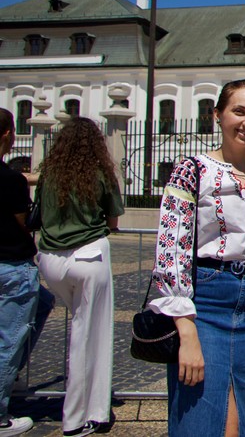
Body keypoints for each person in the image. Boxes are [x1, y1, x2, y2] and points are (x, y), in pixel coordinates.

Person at [152, 78, 245, 436]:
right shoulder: (191, 170)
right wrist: (185, 328)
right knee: (199, 413)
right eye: (239, 111)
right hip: (208, 301)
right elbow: (172, 249)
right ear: (218, 115)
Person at [35, 117, 124, 437]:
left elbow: (39, 215)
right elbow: (113, 219)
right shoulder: (100, 172)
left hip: (51, 260)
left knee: (82, 330)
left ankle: (89, 409)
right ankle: (82, 416)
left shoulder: (50, 173)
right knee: (91, 336)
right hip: (88, 256)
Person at [0, 107, 51, 437]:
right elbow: (22, 222)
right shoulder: (10, 180)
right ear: (7, 135)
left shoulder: (14, 178)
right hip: (12, 264)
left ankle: (11, 374)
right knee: (8, 341)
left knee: (44, 301)